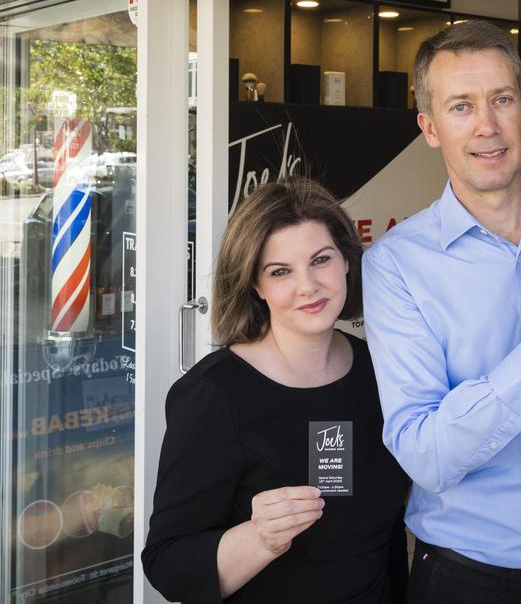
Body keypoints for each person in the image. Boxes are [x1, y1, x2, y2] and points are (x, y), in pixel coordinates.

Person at [362, 21, 521, 604]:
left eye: (502, 99)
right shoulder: (396, 266)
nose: (487, 126)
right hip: (472, 582)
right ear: (430, 128)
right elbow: (424, 454)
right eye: (461, 106)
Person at [142, 178, 409, 603]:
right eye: (280, 271)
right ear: (255, 285)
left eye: (320, 260)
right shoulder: (212, 396)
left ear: (346, 262)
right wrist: (260, 538)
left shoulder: (384, 369)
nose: (308, 286)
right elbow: (167, 565)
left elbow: (388, 538)